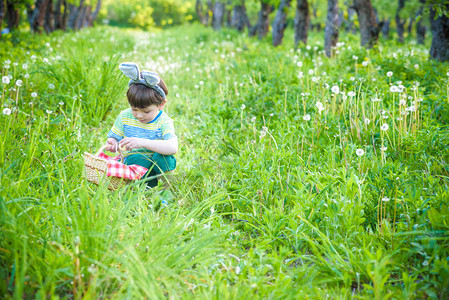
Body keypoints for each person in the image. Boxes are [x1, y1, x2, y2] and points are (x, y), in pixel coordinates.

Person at [105, 62, 178, 188]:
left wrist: (142, 142)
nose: (139, 115)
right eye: (134, 109)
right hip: (134, 165)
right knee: (137, 158)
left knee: (164, 158)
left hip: (156, 167)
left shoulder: (163, 121)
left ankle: (167, 189)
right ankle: (141, 189)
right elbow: (113, 139)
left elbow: (172, 147)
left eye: (146, 111)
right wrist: (113, 144)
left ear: (161, 104)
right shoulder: (124, 116)